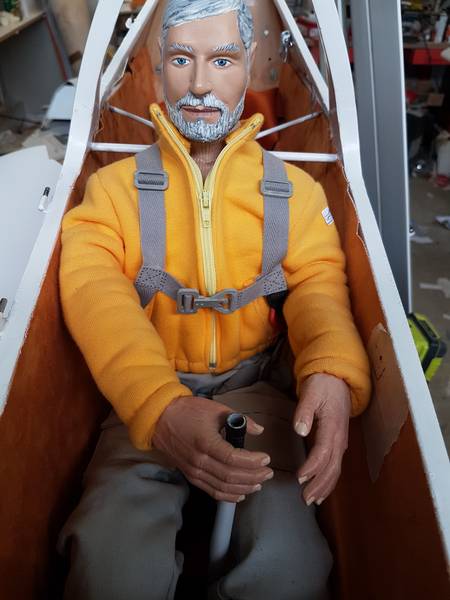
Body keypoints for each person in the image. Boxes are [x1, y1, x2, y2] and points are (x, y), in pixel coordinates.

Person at [58, 1, 371, 598]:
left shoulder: (296, 193)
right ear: (156, 68)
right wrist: (158, 406)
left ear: (249, 64)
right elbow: (94, 294)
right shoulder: (111, 194)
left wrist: (331, 366)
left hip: (259, 393)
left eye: (222, 59)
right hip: (144, 396)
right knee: (110, 562)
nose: (200, 83)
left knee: (291, 564)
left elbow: (319, 283)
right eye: (182, 59)